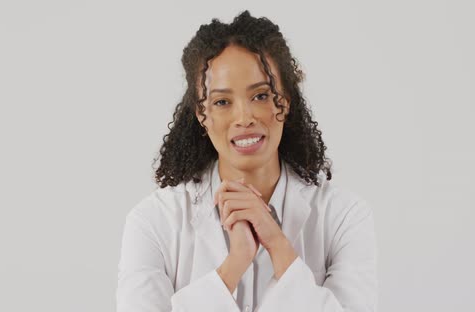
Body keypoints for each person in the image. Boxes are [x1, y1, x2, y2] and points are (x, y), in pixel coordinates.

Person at [117, 10, 377, 312]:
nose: (244, 118)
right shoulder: (153, 222)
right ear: (202, 115)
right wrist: (236, 262)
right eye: (222, 102)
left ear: (287, 100)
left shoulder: (344, 216)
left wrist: (277, 244)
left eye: (261, 96)